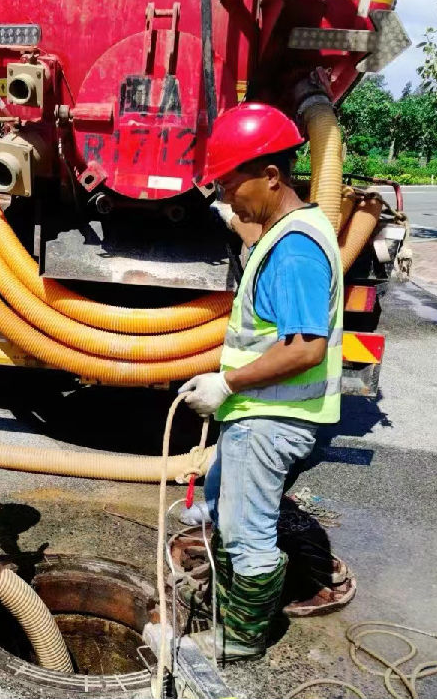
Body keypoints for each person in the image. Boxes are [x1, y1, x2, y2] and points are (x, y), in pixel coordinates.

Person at [178, 102, 343, 662]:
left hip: (271, 420)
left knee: (247, 534)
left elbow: (305, 347)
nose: (227, 197)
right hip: (261, 413)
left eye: (230, 184)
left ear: (271, 176)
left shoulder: (294, 251)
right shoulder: (287, 230)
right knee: (225, 511)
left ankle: (241, 638)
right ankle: (228, 608)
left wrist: (228, 384)